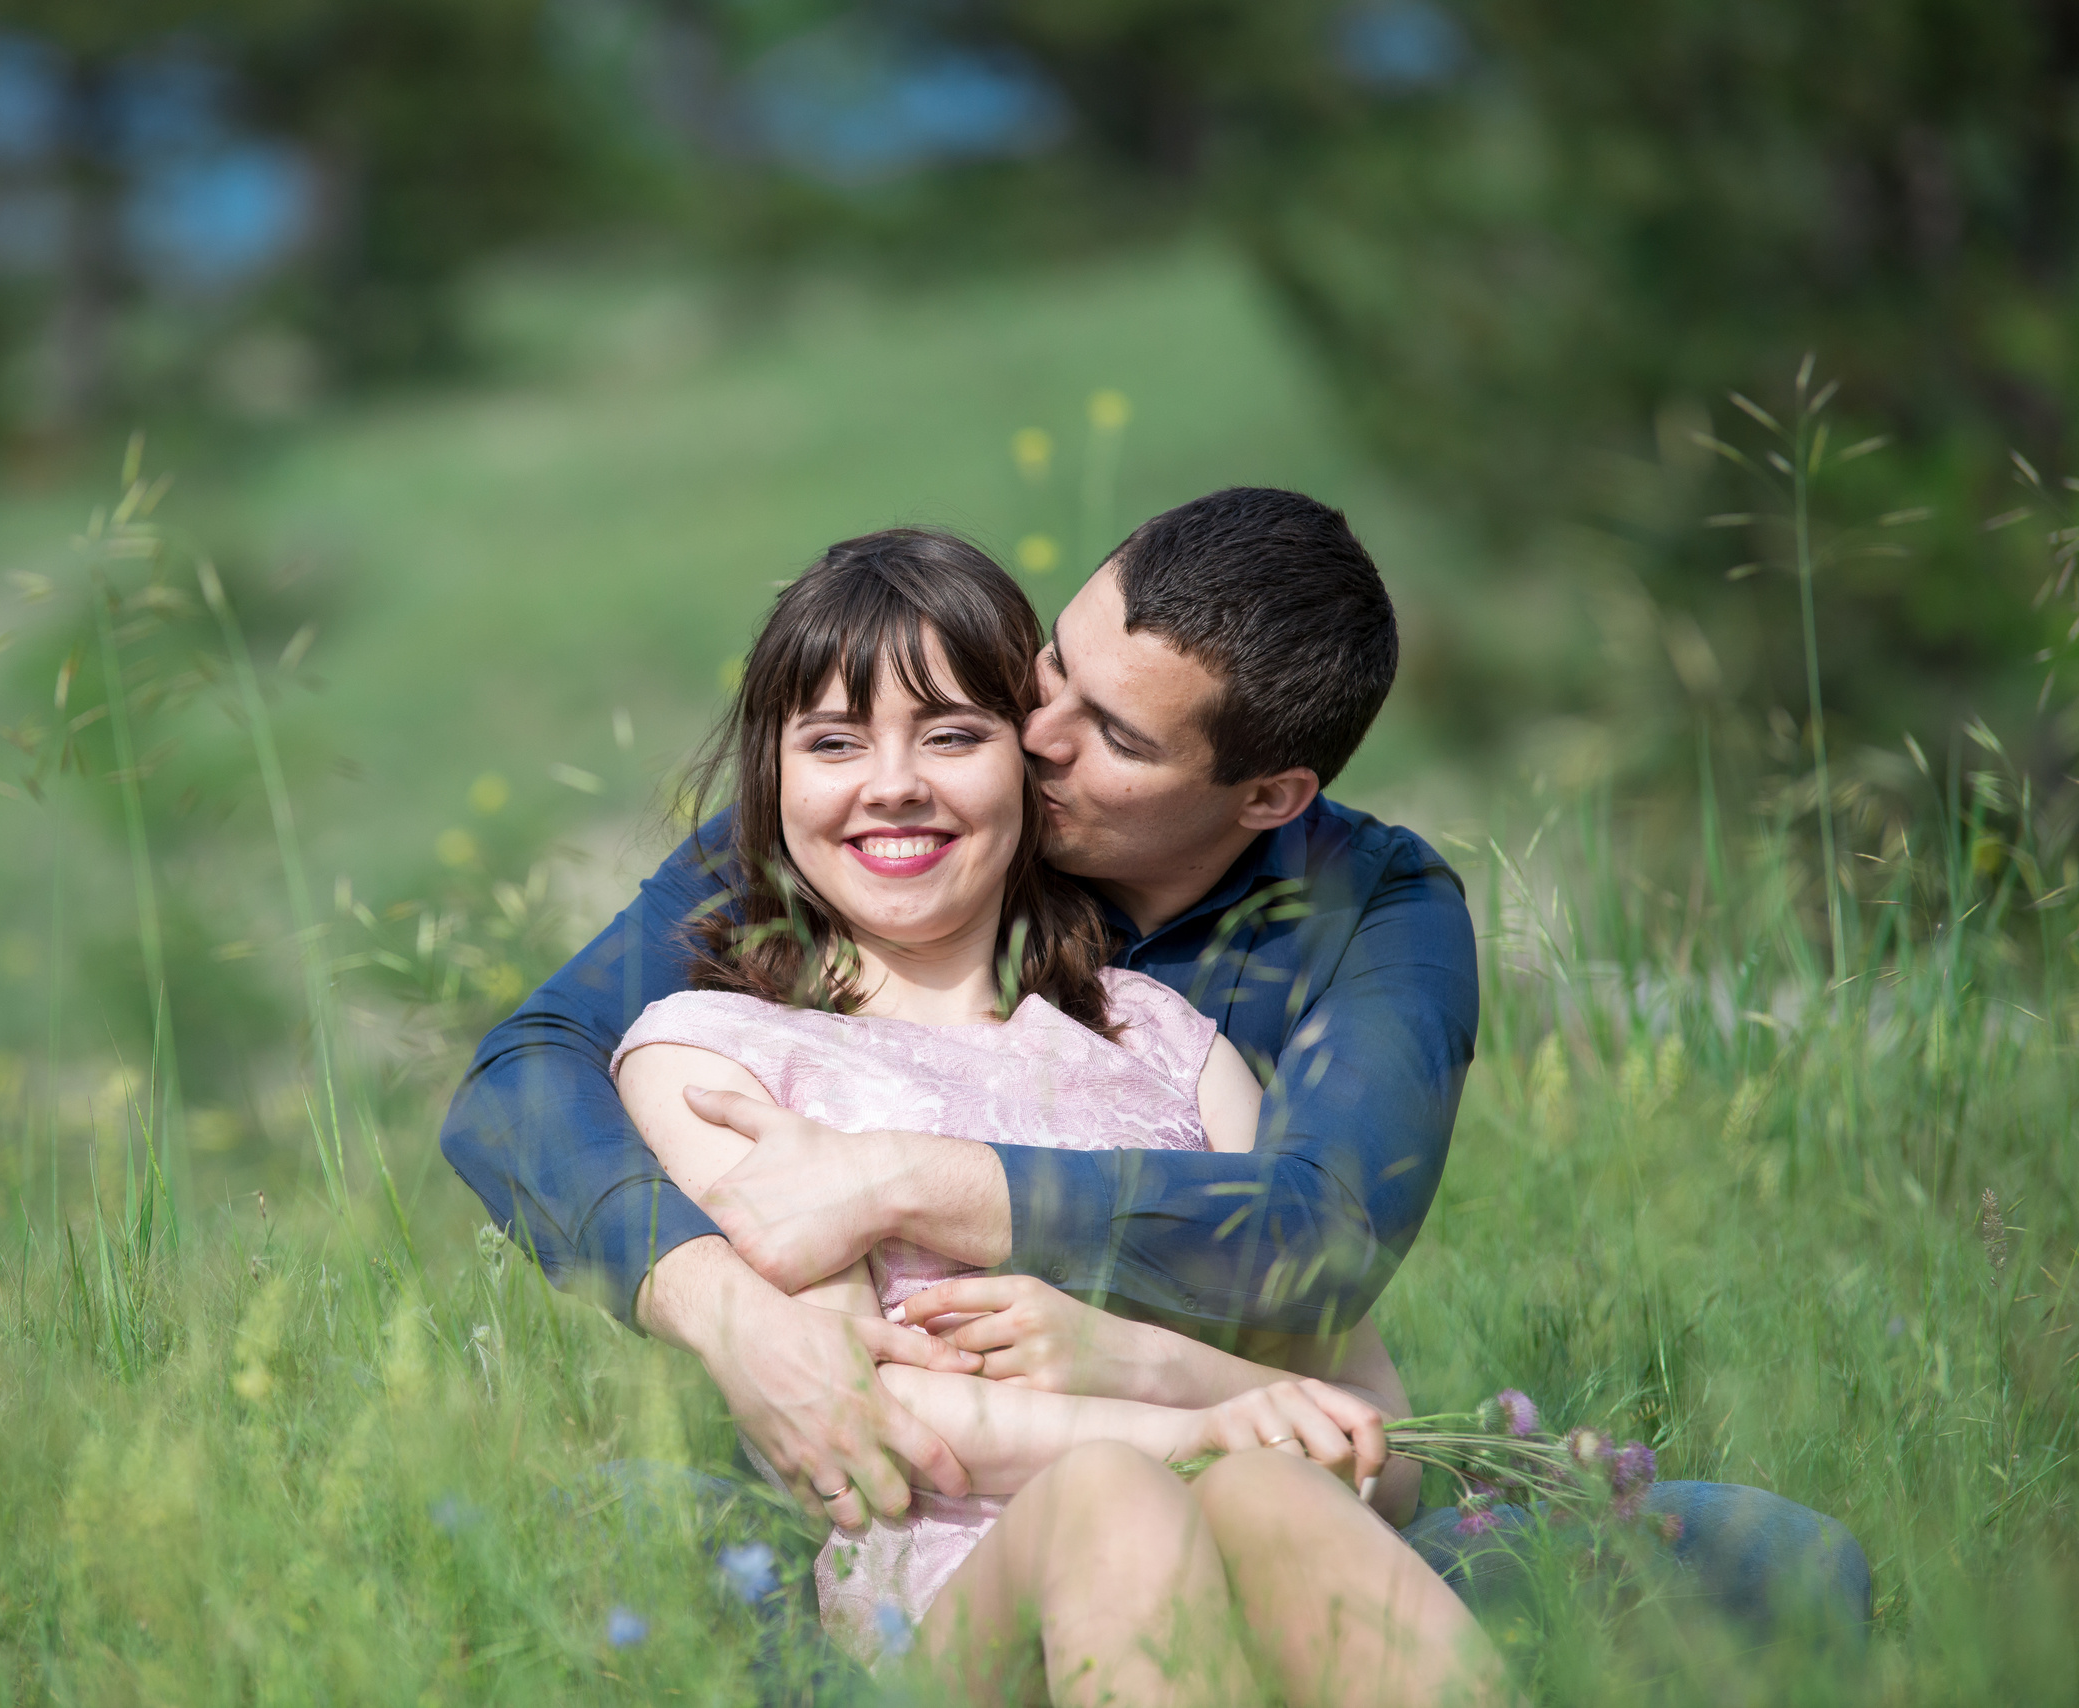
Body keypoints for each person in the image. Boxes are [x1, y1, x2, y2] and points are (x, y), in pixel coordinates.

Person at [441, 488, 1870, 1650]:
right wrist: (722, 1311)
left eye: (1113, 735)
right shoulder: (882, 824)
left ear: (1268, 795)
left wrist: (927, 1191)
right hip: (937, 1518)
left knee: (1773, 1558)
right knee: (607, 1538)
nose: (1035, 739)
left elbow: (1321, 1236)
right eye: (1053, 670)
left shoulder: (1357, 914)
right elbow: (529, 1074)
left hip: (1256, 1452)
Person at [606, 527, 1508, 1702]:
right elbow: (866, 1414)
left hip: (1236, 1555)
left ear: (1017, 768)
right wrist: (1212, 1421)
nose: (894, 782)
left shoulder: (1161, 1040)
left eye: (952, 734)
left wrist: (1163, 1379)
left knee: (1271, 1486)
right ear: (768, 778)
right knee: (1114, 1492)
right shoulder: (717, 1051)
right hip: (953, 1609)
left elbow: (1376, 1443)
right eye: (832, 741)